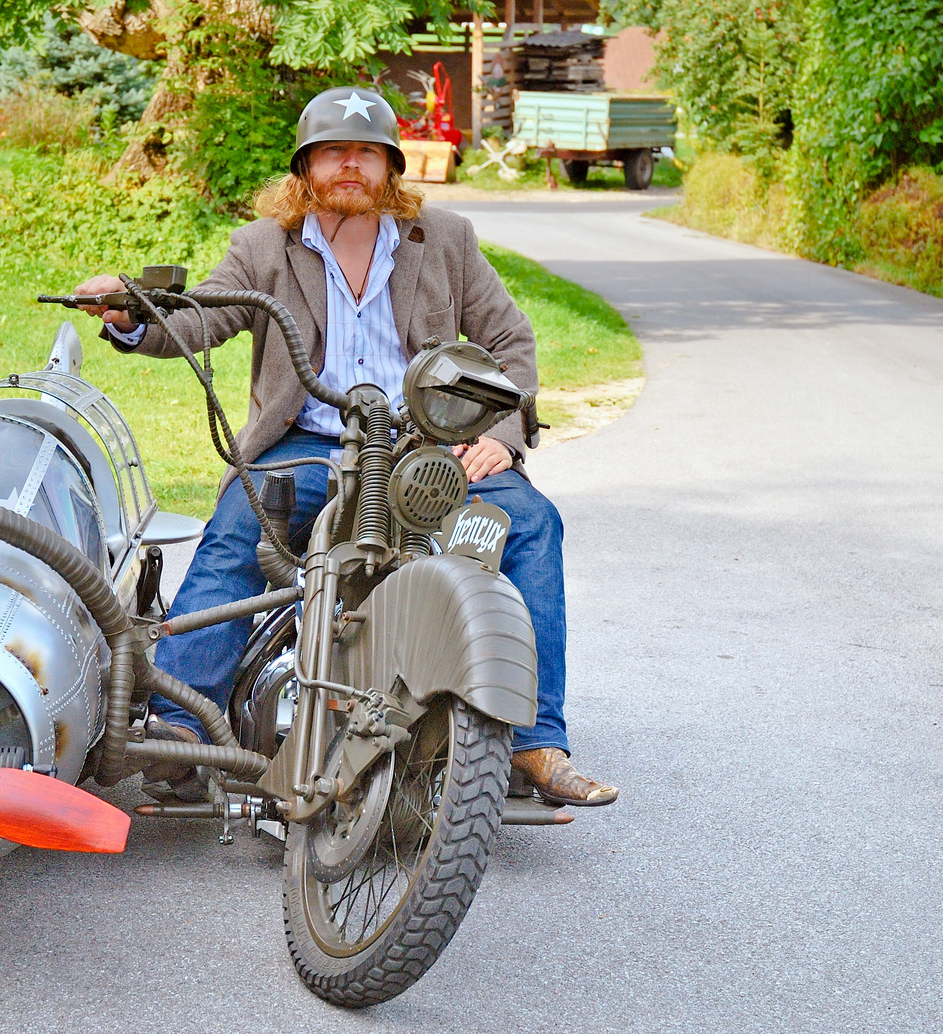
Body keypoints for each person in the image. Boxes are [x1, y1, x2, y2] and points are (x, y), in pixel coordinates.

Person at [75, 86, 618, 808]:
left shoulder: (444, 240)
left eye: (367, 152)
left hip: (422, 453)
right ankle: (181, 734)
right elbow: (201, 321)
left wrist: (498, 433)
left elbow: (510, 343)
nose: (350, 166)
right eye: (334, 151)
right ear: (305, 166)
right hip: (303, 444)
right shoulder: (262, 246)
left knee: (527, 525)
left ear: (391, 166)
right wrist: (131, 317)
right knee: (237, 536)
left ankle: (533, 743)